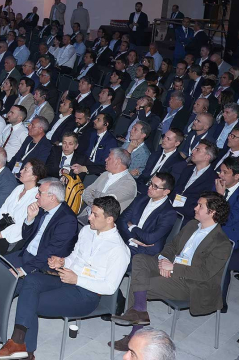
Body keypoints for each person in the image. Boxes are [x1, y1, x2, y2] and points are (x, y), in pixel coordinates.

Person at [0, 196, 130, 359]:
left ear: (109, 219)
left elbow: (110, 287)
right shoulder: (87, 231)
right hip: (66, 278)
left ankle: (22, 348)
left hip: (86, 295)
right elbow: (74, 257)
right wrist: (62, 261)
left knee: (30, 300)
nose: (89, 217)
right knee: (30, 280)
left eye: (95, 215)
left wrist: (77, 280)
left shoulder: (119, 250)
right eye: (91, 212)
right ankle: (20, 344)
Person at [112, 193, 232, 352]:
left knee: (141, 284)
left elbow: (203, 273)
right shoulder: (192, 225)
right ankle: (139, 313)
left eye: (200, 206)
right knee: (139, 259)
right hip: (172, 266)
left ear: (212, 212)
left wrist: (173, 268)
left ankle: (134, 334)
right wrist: (163, 261)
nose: (195, 208)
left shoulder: (221, 243)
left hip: (191, 283)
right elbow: (172, 246)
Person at [6, 177, 78, 277]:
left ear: (52, 197)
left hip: (41, 265)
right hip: (26, 254)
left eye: (40, 193)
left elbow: (51, 251)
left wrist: (24, 270)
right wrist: (30, 218)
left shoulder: (67, 220)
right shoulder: (41, 209)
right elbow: (26, 237)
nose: (36, 196)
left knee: (6, 279)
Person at [0, 159, 47, 263]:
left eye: (25, 170)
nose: (21, 171)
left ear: (34, 177)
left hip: (11, 236)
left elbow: (21, 226)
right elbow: (3, 210)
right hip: (0, 225)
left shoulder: (36, 198)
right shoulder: (18, 188)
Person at [117, 172, 178, 259]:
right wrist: (131, 238)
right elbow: (121, 220)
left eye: (155, 187)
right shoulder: (141, 198)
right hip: (126, 240)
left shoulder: (169, 213)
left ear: (166, 192)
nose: (149, 187)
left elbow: (149, 239)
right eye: (150, 183)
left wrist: (132, 227)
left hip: (143, 252)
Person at [80, 148, 137, 213]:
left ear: (118, 161)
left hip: (104, 218)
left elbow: (105, 203)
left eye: (109, 158)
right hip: (87, 213)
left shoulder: (129, 184)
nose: (106, 159)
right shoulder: (105, 174)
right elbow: (86, 192)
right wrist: (95, 203)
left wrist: (94, 196)